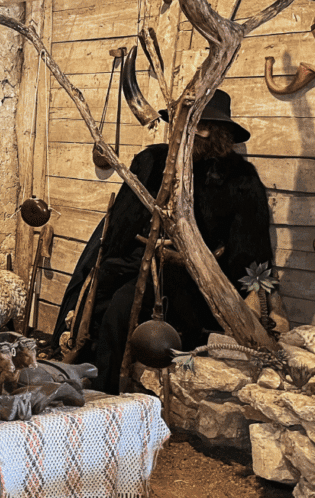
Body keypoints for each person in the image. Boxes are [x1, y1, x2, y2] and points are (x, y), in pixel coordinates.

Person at [52, 90, 273, 393]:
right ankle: (93, 379)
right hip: (141, 265)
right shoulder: (153, 161)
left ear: (206, 129)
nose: (178, 134)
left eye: (187, 127)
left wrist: (257, 297)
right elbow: (120, 226)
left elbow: (251, 250)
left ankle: (109, 392)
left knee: (123, 307)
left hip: (195, 283)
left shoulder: (240, 179)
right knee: (107, 299)